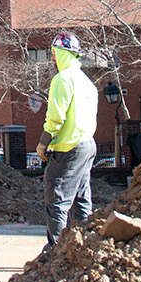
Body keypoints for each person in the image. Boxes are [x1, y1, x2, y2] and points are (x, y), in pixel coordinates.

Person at [39, 31, 98, 249]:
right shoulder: (87, 83)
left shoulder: (63, 79)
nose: (52, 58)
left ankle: (56, 251)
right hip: (86, 146)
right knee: (82, 199)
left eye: (53, 53)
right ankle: (85, 247)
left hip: (68, 148)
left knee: (57, 199)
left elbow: (55, 117)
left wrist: (43, 142)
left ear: (62, 53)